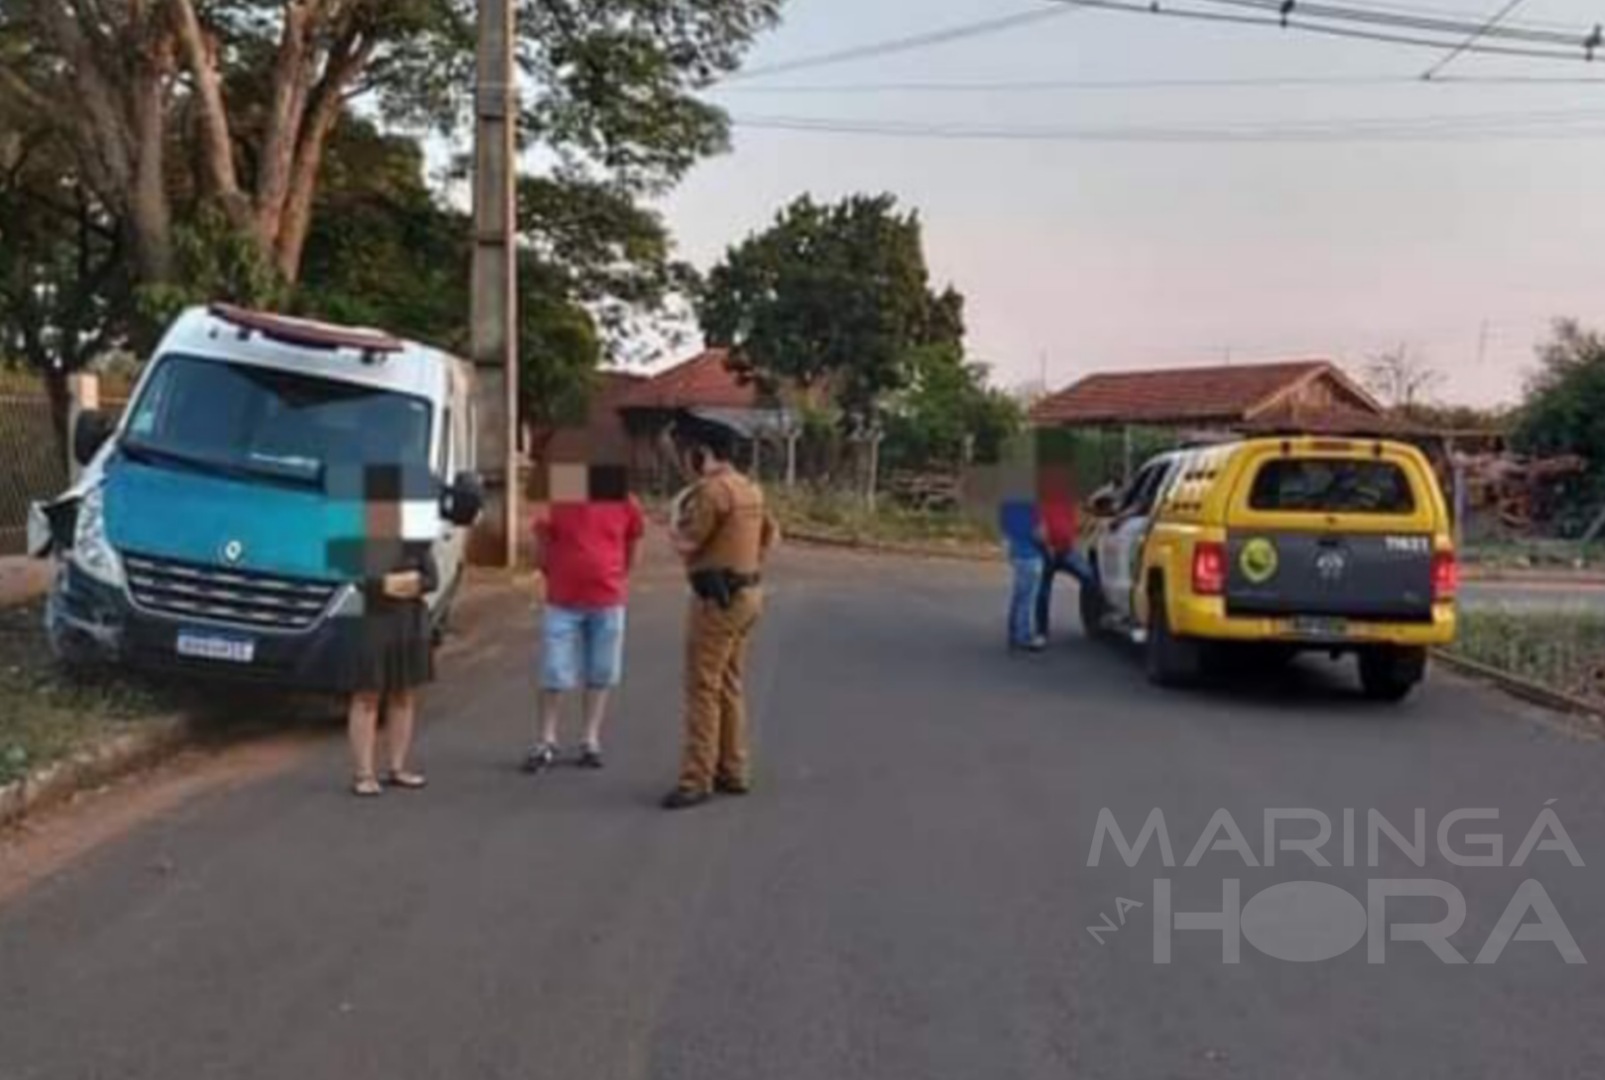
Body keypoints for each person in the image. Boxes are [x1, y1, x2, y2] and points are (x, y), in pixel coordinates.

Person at [661, 419, 779, 811]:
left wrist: (672, 524)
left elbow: (688, 543)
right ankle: (733, 769)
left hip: (717, 600)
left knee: (703, 688)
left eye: (692, 451)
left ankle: (697, 779)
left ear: (703, 453)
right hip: (747, 594)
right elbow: (770, 536)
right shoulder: (750, 489)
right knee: (729, 683)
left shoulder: (712, 493)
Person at [524, 471, 645, 772]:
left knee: (601, 670)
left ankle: (590, 739)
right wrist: (550, 570)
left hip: (606, 597)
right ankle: (546, 739)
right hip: (563, 599)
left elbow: (634, 538)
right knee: (553, 670)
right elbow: (541, 540)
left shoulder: (624, 500)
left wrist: (619, 574)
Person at [341, 478, 437, 797]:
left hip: (409, 622)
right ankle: (363, 773)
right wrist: (404, 583)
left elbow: (431, 578)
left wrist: (397, 584)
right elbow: (364, 581)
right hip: (373, 621)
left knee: (403, 694)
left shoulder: (418, 538)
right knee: (367, 694)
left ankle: (397, 767)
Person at [1033, 464, 1094, 641]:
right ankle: (1041, 631)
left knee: (1090, 579)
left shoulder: (1068, 502)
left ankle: (1093, 621)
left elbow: (1075, 526)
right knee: (1042, 593)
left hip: (1066, 550)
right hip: (1047, 551)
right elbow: (1038, 527)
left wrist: (1086, 526)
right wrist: (1047, 545)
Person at [998, 491, 1045, 652]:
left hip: (1016, 553)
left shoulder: (1008, 505)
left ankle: (1013, 631)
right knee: (1028, 598)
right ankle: (1024, 636)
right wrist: (1047, 545)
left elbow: (1005, 531)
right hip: (1031, 554)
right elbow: (1038, 533)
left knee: (1019, 595)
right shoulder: (1032, 506)